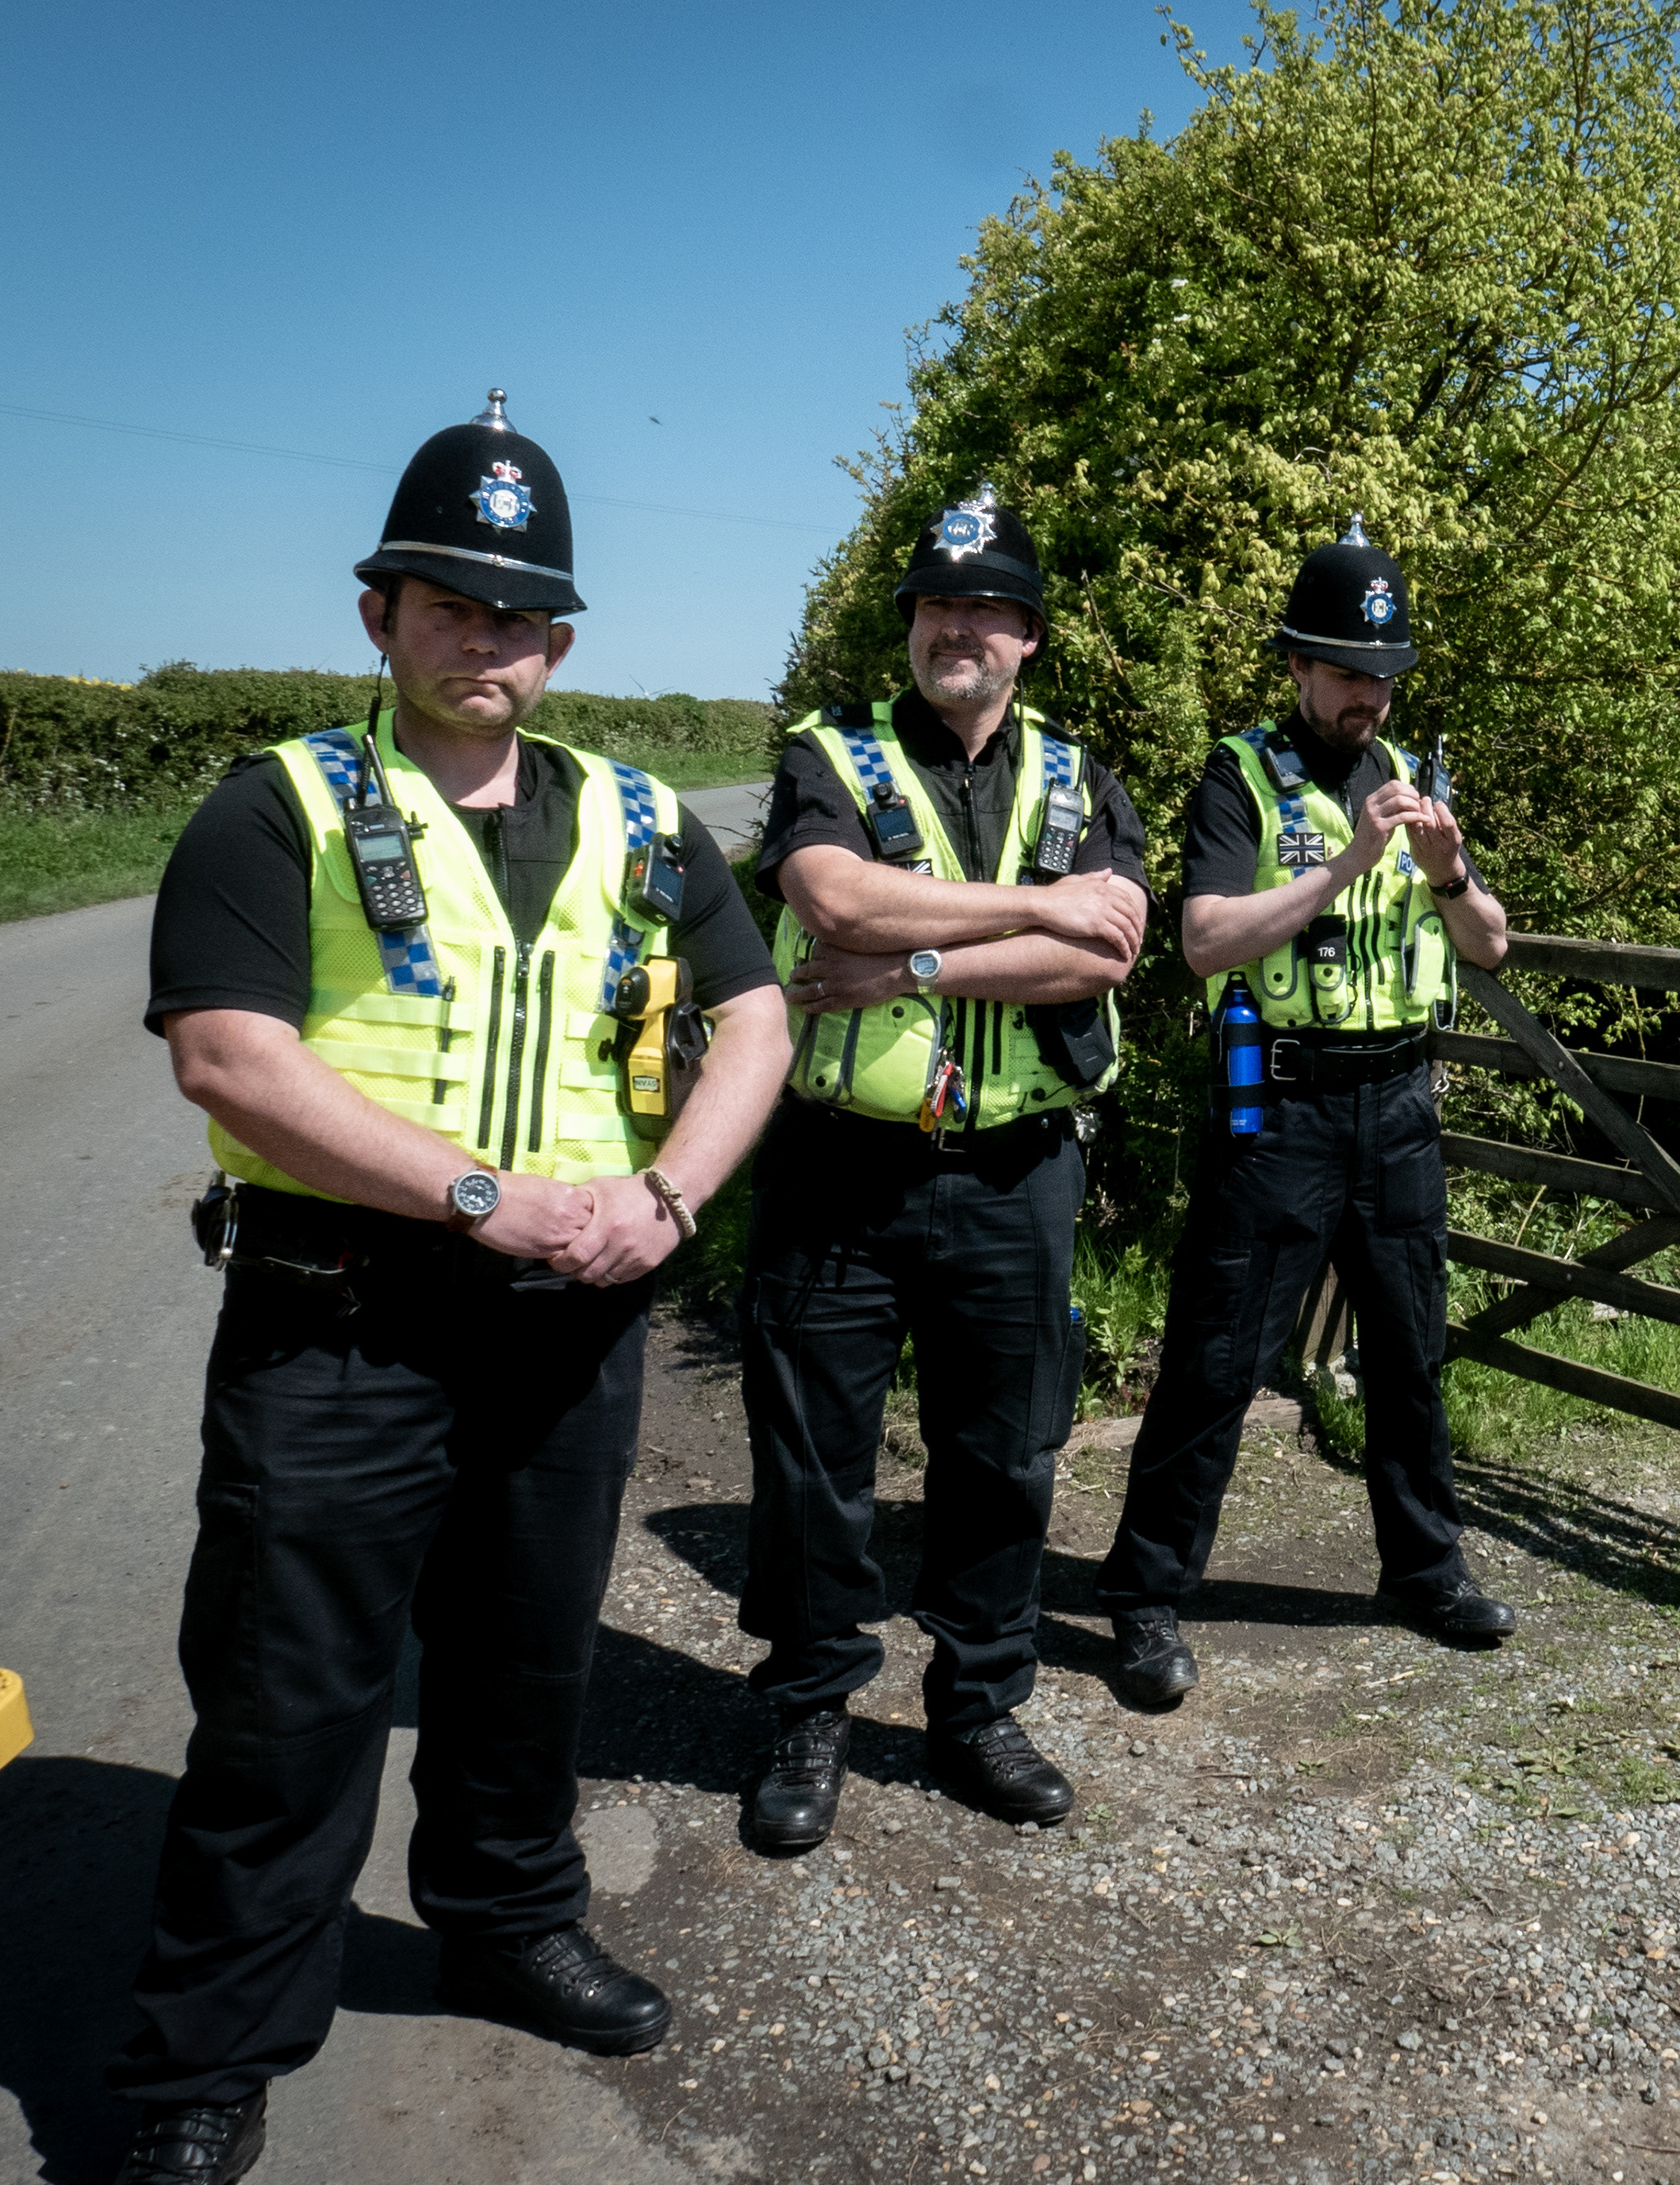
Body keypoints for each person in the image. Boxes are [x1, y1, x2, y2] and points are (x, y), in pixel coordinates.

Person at [112, 392, 789, 2184]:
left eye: (520, 612)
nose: (487, 636)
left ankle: (504, 1922)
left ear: (560, 639)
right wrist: (486, 1195)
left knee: (523, 1665)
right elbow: (229, 1059)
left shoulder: (646, 819)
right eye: (450, 601)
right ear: (380, 615)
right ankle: (212, 2052)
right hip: (341, 1316)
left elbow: (760, 1016)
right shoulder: (281, 806)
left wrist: (672, 1195)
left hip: (567, 1325)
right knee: (288, 1701)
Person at [736, 486, 1149, 1847]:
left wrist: (911, 960)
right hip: (839, 1170)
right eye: (934, 603)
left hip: (1017, 1170)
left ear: (1029, 635)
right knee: (813, 1464)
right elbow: (832, 898)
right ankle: (810, 1705)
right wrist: (1037, 901)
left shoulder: (1083, 776)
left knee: (1004, 1457)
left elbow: (1104, 953)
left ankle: (977, 1707)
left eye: (985, 606)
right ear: (910, 623)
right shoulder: (829, 757)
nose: (955, 626)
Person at [1096, 519, 1515, 1712]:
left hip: (1398, 1101)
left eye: (1382, 680)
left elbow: (1489, 946)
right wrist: (1343, 868)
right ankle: (1145, 1597)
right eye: (1345, 676)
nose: (1366, 700)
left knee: (1410, 1350)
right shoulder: (1239, 774)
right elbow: (1199, 941)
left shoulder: (1417, 783)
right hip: (1277, 1104)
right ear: (1297, 668)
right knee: (1218, 1359)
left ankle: (1426, 1570)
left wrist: (1445, 867)